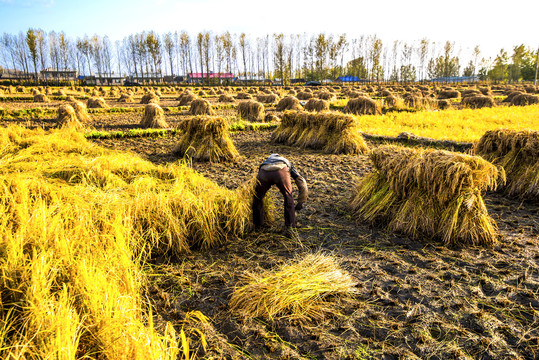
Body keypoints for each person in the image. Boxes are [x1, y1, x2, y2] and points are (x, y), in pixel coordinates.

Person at [252, 154, 308, 235]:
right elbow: (301, 180)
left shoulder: (265, 162)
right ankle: (290, 228)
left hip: (264, 173)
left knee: (257, 198)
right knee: (288, 197)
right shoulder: (287, 162)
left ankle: (258, 226)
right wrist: (301, 201)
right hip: (281, 173)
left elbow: (256, 184)